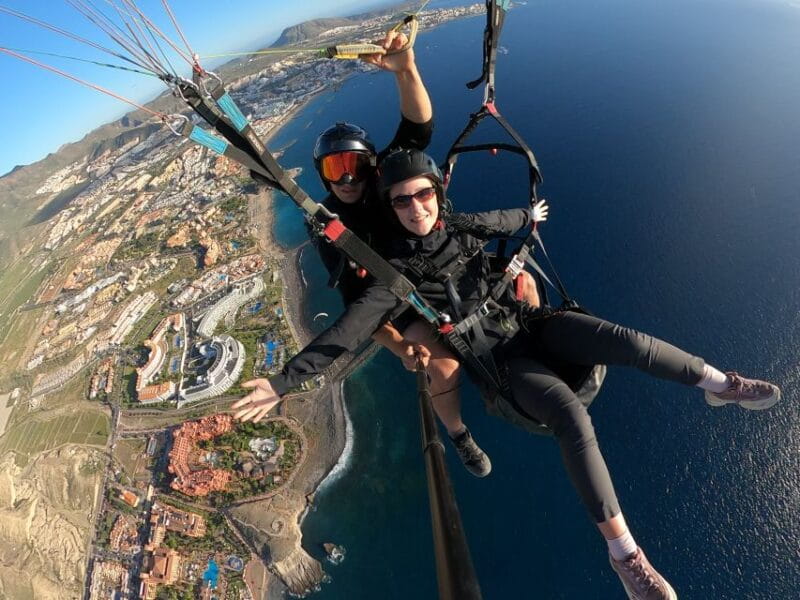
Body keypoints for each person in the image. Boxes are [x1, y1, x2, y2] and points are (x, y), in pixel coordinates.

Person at [234, 148, 782, 599]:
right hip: (501, 364)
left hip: (529, 325)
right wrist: (285, 380)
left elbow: (500, 221)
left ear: (436, 193)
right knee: (570, 417)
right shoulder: (392, 275)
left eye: (424, 193)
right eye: (402, 201)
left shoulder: (458, 224)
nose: (416, 206)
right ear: (393, 208)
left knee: (625, 340)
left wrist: (530, 217)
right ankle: (627, 559)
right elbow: (349, 330)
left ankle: (721, 386)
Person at [306, 28, 492, 476]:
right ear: (322, 175)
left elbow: (418, 129)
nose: (349, 180)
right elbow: (356, 302)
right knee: (442, 364)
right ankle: (459, 434)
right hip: (396, 297)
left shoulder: (384, 178)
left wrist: (406, 69)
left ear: (372, 165)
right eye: (337, 169)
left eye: (357, 166)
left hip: (438, 265)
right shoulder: (327, 224)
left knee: (520, 292)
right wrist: (398, 348)